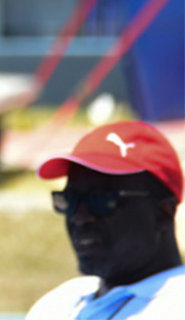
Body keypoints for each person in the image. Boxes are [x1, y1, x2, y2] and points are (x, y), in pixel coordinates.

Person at [26, 120, 184, 319]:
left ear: (163, 212)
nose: (80, 217)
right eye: (69, 199)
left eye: (101, 199)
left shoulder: (175, 306)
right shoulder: (59, 302)